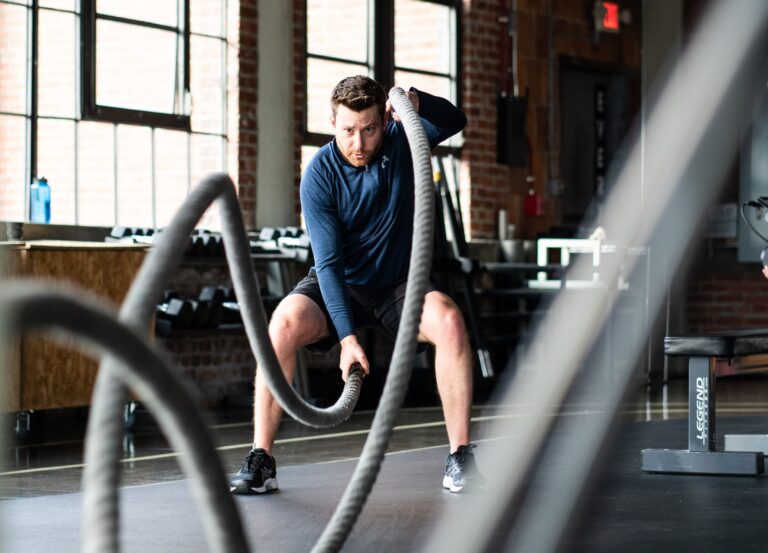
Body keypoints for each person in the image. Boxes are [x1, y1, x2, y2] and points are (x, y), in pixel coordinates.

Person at [229, 75, 482, 495]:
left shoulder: (403, 141)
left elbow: (455, 120)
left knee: (451, 322)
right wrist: (346, 337)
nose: (359, 143)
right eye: (348, 130)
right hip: (340, 282)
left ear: (384, 121)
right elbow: (327, 263)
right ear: (332, 122)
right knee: (282, 326)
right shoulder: (320, 174)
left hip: (397, 283)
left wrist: (415, 101)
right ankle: (261, 458)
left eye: (368, 129)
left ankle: (460, 457)